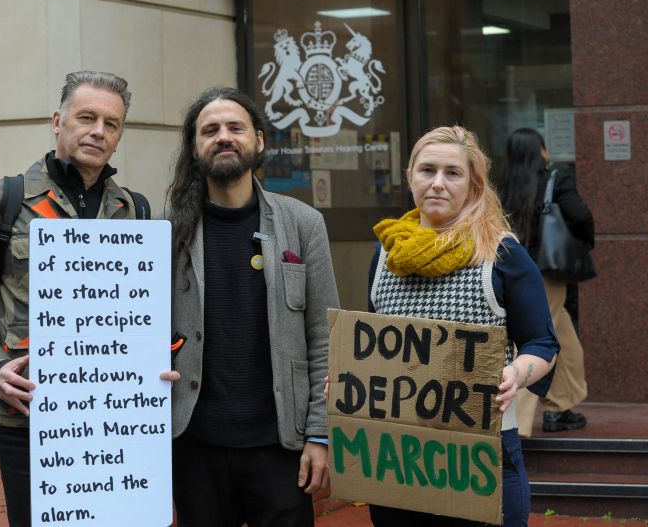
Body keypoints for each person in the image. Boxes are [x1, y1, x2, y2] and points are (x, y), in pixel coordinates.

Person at [0, 71, 177, 527]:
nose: (98, 131)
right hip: (30, 418)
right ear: (57, 121)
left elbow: (147, 317)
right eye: (86, 117)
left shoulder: (136, 211)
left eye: (112, 123)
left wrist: (159, 359)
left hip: (117, 423)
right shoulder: (4, 199)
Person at [365, 126, 559, 526]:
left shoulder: (502, 254)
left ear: (473, 186)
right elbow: (374, 344)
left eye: (452, 173)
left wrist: (513, 375)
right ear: (409, 177)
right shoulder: (386, 255)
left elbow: (542, 342)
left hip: (481, 450)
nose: (438, 183)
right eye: (427, 170)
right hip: (398, 454)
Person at [166, 86, 340, 527]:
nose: (223, 137)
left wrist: (320, 433)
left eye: (235, 128)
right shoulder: (167, 235)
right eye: (210, 130)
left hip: (281, 445)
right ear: (194, 147)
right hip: (194, 446)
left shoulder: (303, 224)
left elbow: (326, 339)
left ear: (259, 140)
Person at [500, 128, 594, 436]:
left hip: (509, 267)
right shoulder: (554, 179)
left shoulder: (502, 186)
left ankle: (559, 407)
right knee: (533, 343)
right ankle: (517, 425)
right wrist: (584, 243)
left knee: (562, 335)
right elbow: (580, 216)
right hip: (546, 272)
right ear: (541, 151)